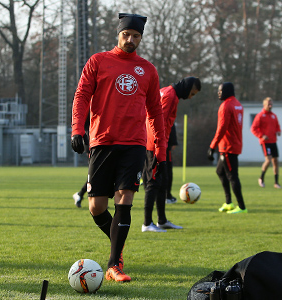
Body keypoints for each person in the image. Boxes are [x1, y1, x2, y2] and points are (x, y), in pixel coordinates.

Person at [70, 13, 167, 282]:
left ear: (141, 38)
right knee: (96, 207)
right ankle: (118, 247)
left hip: (133, 144)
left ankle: (114, 264)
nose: (131, 40)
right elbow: (81, 96)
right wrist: (77, 129)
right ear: (118, 34)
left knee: (125, 198)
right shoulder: (98, 61)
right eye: (127, 35)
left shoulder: (147, 69)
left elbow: (155, 111)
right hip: (102, 141)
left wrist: (160, 146)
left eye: (136, 36)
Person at [142, 77, 200, 232]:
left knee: (163, 182)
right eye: (192, 93)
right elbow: (159, 121)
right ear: (187, 88)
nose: (190, 97)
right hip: (155, 145)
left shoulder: (166, 92)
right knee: (153, 182)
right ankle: (147, 223)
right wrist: (159, 145)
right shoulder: (170, 96)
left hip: (161, 145)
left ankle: (162, 220)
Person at [207, 82, 247, 214]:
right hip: (235, 143)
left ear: (227, 91)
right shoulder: (238, 104)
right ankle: (229, 202)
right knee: (220, 171)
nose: (218, 93)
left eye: (220, 90)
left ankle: (241, 207)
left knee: (232, 176)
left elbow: (221, 128)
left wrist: (212, 146)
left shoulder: (225, 106)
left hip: (227, 146)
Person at [250, 97, 282, 189]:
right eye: (269, 104)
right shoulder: (260, 116)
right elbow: (253, 128)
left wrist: (278, 131)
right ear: (264, 105)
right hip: (265, 142)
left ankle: (276, 182)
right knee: (268, 160)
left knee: (275, 161)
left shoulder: (273, 116)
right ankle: (261, 178)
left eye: (271, 104)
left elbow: (277, 127)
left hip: (273, 141)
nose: (270, 105)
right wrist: (261, 135)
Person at [165, 124, 178, 204]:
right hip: (164, 147)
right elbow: (170, 123)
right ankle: (167, 196)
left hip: (149, 147)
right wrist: (173, 142)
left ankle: (152, 196)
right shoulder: (167, 112)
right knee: (167, 172)